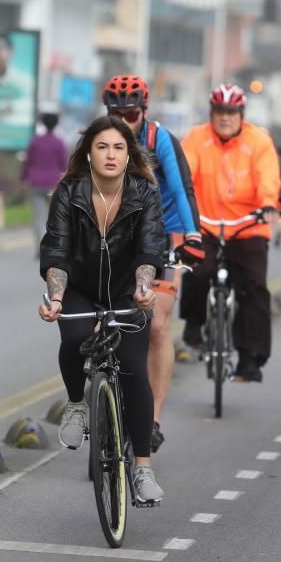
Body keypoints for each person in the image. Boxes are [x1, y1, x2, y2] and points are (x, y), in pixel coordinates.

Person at [38, 115, 166, 504]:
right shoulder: (69, 192)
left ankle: (142, 468)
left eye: (119, 147)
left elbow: (150, 248)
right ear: (88, 154)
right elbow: (57, 249)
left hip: (128, 292)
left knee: (133, 371)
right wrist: (56, 297)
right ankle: (77, 403)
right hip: (79, 288)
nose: (111, 155)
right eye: (102, 147)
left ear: (129, 155)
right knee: (75, 336)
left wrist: (144, 289)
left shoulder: (144, 193)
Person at [101, 74, 203, 453]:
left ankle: (153, 418)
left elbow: (180, 189)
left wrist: (192, 236)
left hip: (164, 234)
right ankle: (102, 399)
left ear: (143, 111)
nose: (123, 120)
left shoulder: (160, 140)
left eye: (130, 113)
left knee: (157, 326)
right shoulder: (99, 141)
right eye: (115, 113)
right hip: (116, 237)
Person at [179, 83, 281, 383]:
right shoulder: (197, 138)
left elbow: (268, 179)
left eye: (231, 112)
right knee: (197, 269)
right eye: (220, 112)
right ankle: (194, 324)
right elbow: (185, 175)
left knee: (254, 287)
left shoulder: (259, 141)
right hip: (205, 224)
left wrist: (267, 205)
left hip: (248, 225)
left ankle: (250, 359)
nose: (225, 118)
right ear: (211, 113)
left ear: (241, 115)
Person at [21, 111, 69, 256]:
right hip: (54, 184)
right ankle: (55, 246)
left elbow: (27, 162)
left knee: (39, 217)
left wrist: (22, 178)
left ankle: (40, 248)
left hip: (36, 183)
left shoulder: (35, 141)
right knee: (56, 216)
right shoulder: (59, 142)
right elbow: (64, 165)